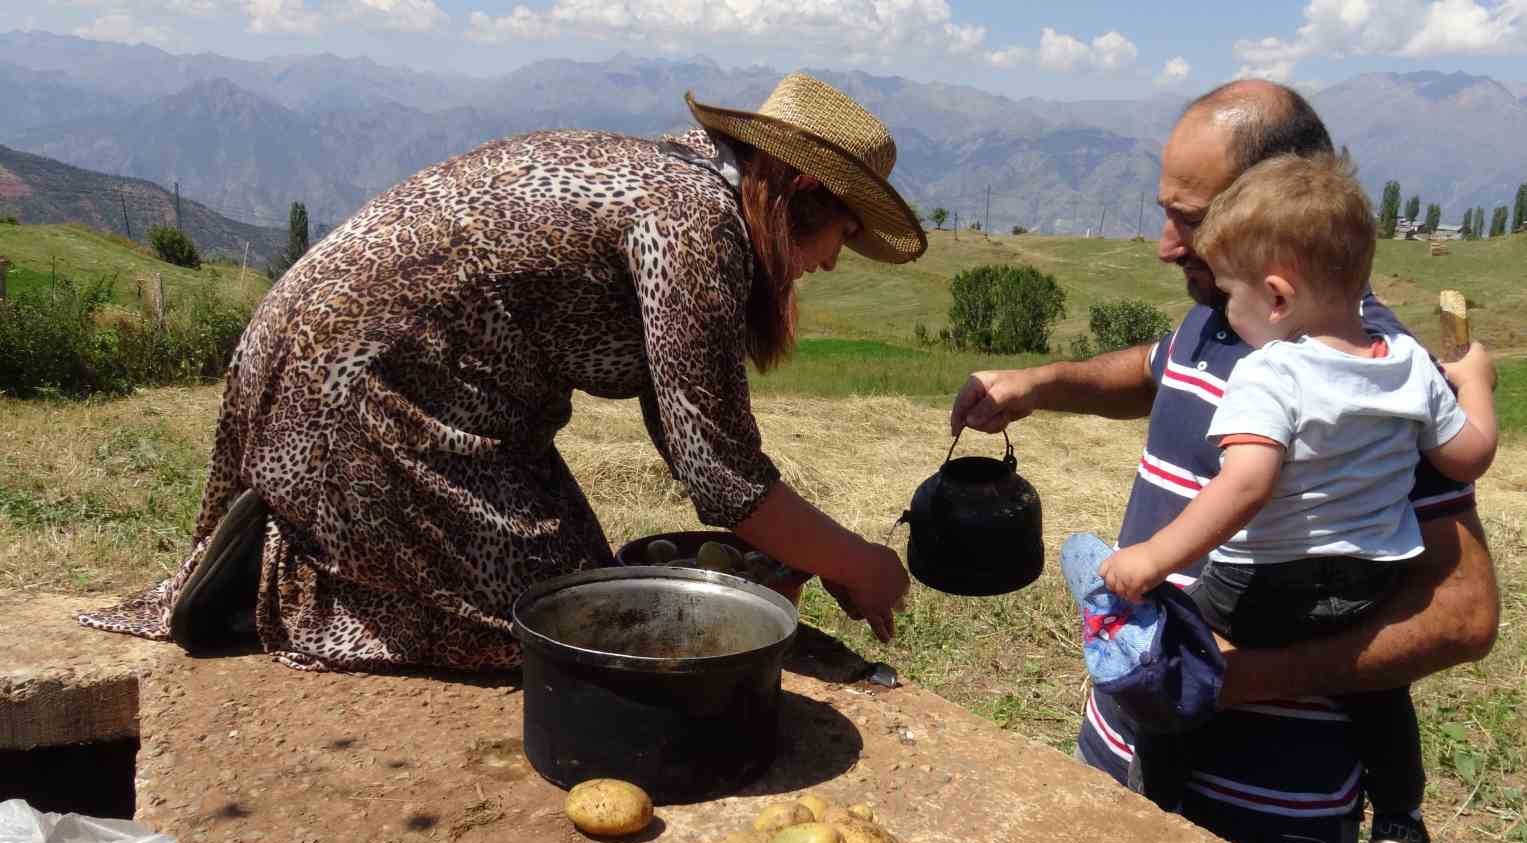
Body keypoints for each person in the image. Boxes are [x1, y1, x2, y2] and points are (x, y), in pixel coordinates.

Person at [79, 73, 921, 671]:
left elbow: (687, 426)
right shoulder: (696, 227)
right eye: (840, 236)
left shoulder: (684, 183)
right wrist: (858, 563)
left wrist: (812, 553)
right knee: (549, 628)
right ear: (802, 189)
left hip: (370, 354)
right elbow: (723, 479)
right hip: (367, 377)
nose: (833, 264)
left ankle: (305, 540)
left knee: (587, 587)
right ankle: (283, 581)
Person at [949, 80, 1500, 843]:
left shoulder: (1373, 383)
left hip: (1267, 821)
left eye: (1191, 218)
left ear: (1274, 221)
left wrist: (1216, 681)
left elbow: (1463, 615)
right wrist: (1040, 382)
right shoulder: (1224, 315)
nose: (1168, 245)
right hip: (1119, 762)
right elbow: (1154, 370)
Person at [1096, 151, 1500, 843]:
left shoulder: (1270, 371)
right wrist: (1476, 382)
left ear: (1277, 299)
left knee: (1170, 663)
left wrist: (1151, 560)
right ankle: (1402, 817)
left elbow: (1244, 486)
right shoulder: (1407, 361)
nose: (1224, 310)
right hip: (1372, 580)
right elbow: (1468, 455)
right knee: (1376, 686)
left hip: (1267, 583)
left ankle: (1154, 790)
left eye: (1230, 294)